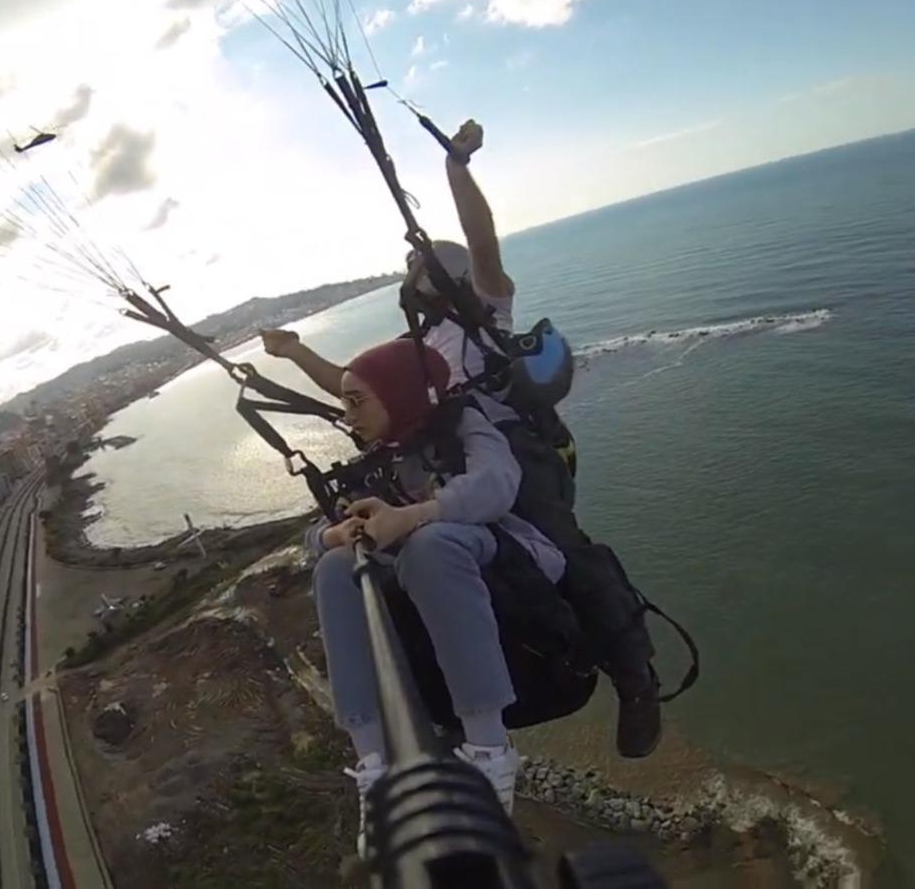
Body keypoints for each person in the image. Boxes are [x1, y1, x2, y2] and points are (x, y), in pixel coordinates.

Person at [263, 121, 662, 758]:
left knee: (568, 554)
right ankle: (448, 705)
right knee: (419, 556)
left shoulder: (486, 311)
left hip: (513, 450)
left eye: (419, 265)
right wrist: (294, 353)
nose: (411, 273)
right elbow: (352, 383)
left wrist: (456, 169)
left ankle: (636, 680)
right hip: (444, 451)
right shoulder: (415, 348)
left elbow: (483, 241)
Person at [309, 338, 575, 854]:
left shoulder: (461, 427)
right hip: (433, 574)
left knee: (429, 546)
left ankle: (489, 755)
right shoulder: (375, 462)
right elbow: (316, 533)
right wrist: (335, 536)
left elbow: (498, 484)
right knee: (333, 569)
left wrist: (412, 516)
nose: (347, 415)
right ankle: (375, 768)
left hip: (501, 556)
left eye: (357, 400)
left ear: (398, 393)